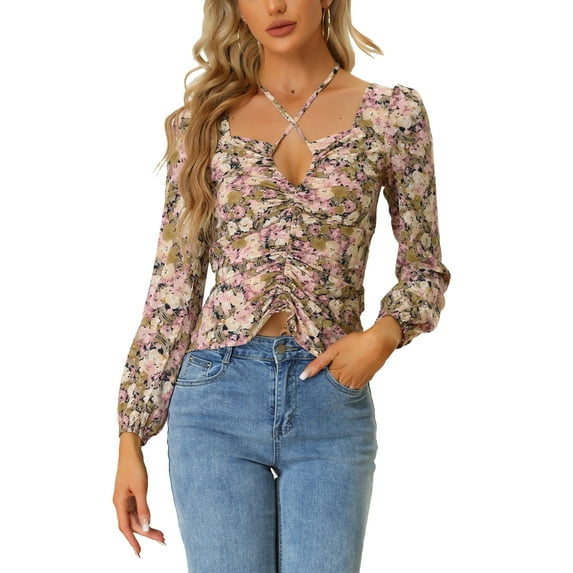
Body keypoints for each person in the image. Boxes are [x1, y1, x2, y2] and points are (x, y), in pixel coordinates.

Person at [113, 1, 450, 571]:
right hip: (214, 401)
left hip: (330, 399)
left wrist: (383, 336)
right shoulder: (200, 124)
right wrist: (131, 435)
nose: (274, 5)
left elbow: (425, 268)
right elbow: (174, 286)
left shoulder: (392, 115)